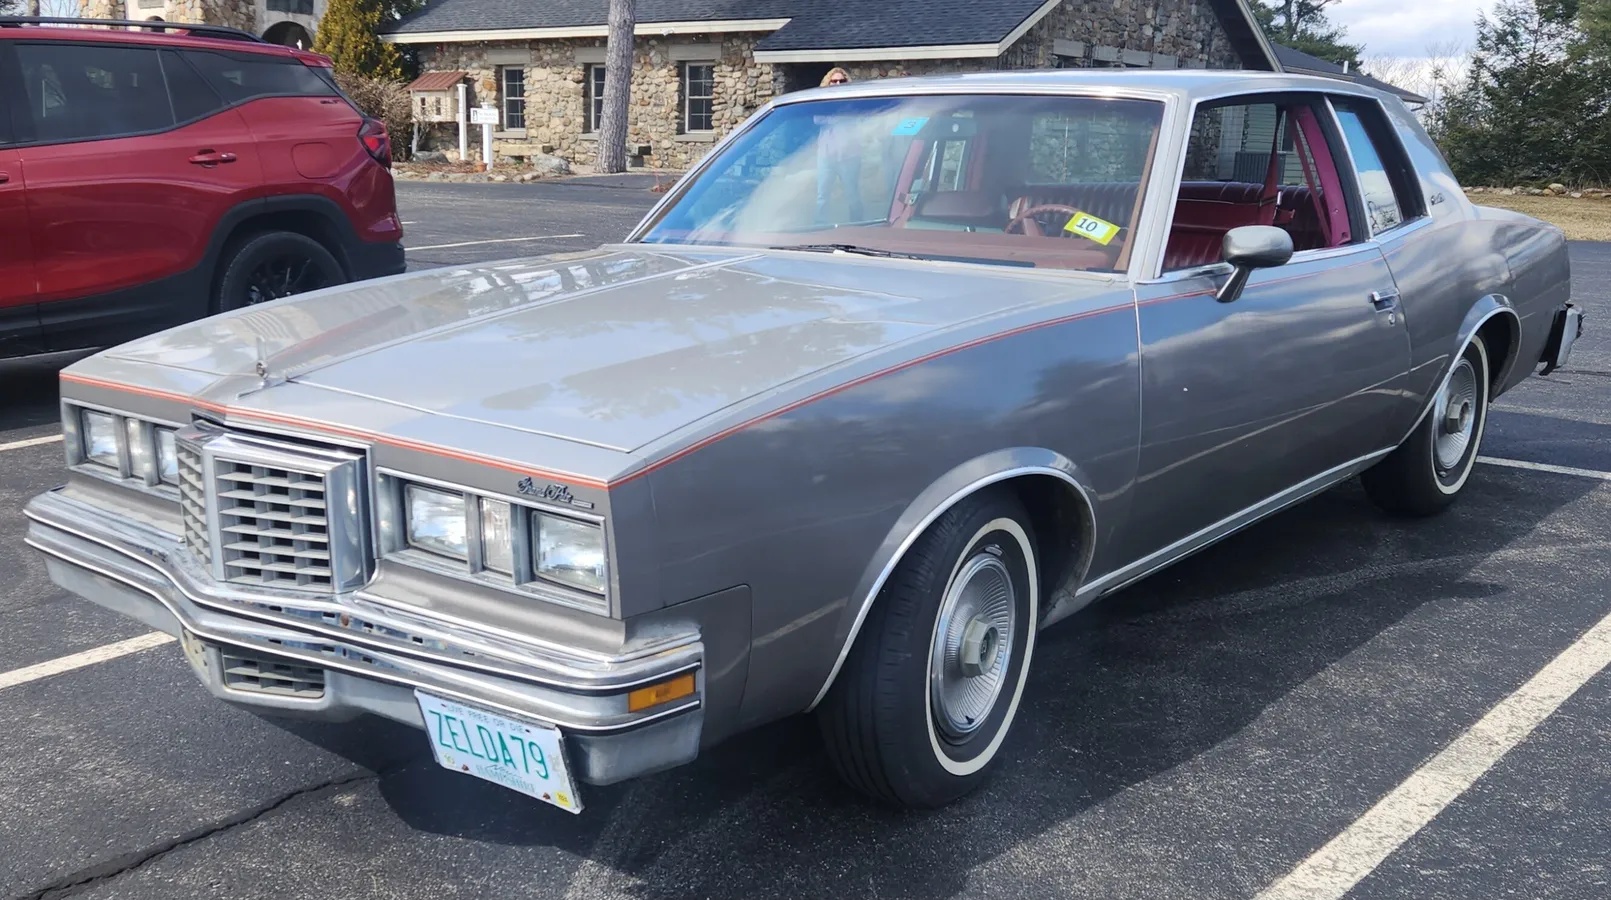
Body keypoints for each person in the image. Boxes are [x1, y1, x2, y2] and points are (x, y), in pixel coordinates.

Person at [815, 68, 863, 223]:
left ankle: (857, 225)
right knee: (822, 195)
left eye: (841, 81)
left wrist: (835, 115)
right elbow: (817, 119)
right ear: (827, 82)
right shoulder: (821, 100)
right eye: (834, 81)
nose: (837, 84)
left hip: (848, 155)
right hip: (826, 155)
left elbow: (854, 118)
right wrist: (837, 116)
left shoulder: (852, 101)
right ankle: (820, 226)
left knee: (852, 194)